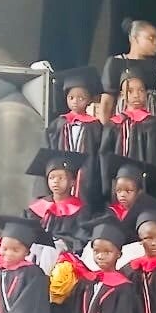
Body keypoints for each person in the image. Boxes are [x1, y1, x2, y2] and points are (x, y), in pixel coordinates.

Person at [99, 66, 156, 200]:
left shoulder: (153, 124)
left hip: (146, 190)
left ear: (146, 93)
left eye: (141, 90)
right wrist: (108, 185)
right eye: (130, 91)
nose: (136, 95)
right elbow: (104, 157)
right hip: (119, 189)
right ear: (122, 94)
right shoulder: (114, 124)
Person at [44, 65, 104, 208]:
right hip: (62, 171)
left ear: (89, 100)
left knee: (84, 202)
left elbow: (99, 152)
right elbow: (50, 147)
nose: (75, 101)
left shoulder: (95, 125)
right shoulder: (59, 123)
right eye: (71, 98)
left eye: (81, 98)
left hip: (86, 173)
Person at [99, 18, 156, 123]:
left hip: (153, 129)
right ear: (134, 38)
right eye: (151, 38)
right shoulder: (116, 63)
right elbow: (106, 103)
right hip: (122, 128)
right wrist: (106, 130)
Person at [24, 149, 87, 254]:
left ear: (72, 182)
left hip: (64, 255)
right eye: (51, 178)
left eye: (61, 178)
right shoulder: (36, 208)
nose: (55, 181)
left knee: (49, 250)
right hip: (36, 253)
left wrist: (60, 243)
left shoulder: (81, 211)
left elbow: (80, 240)